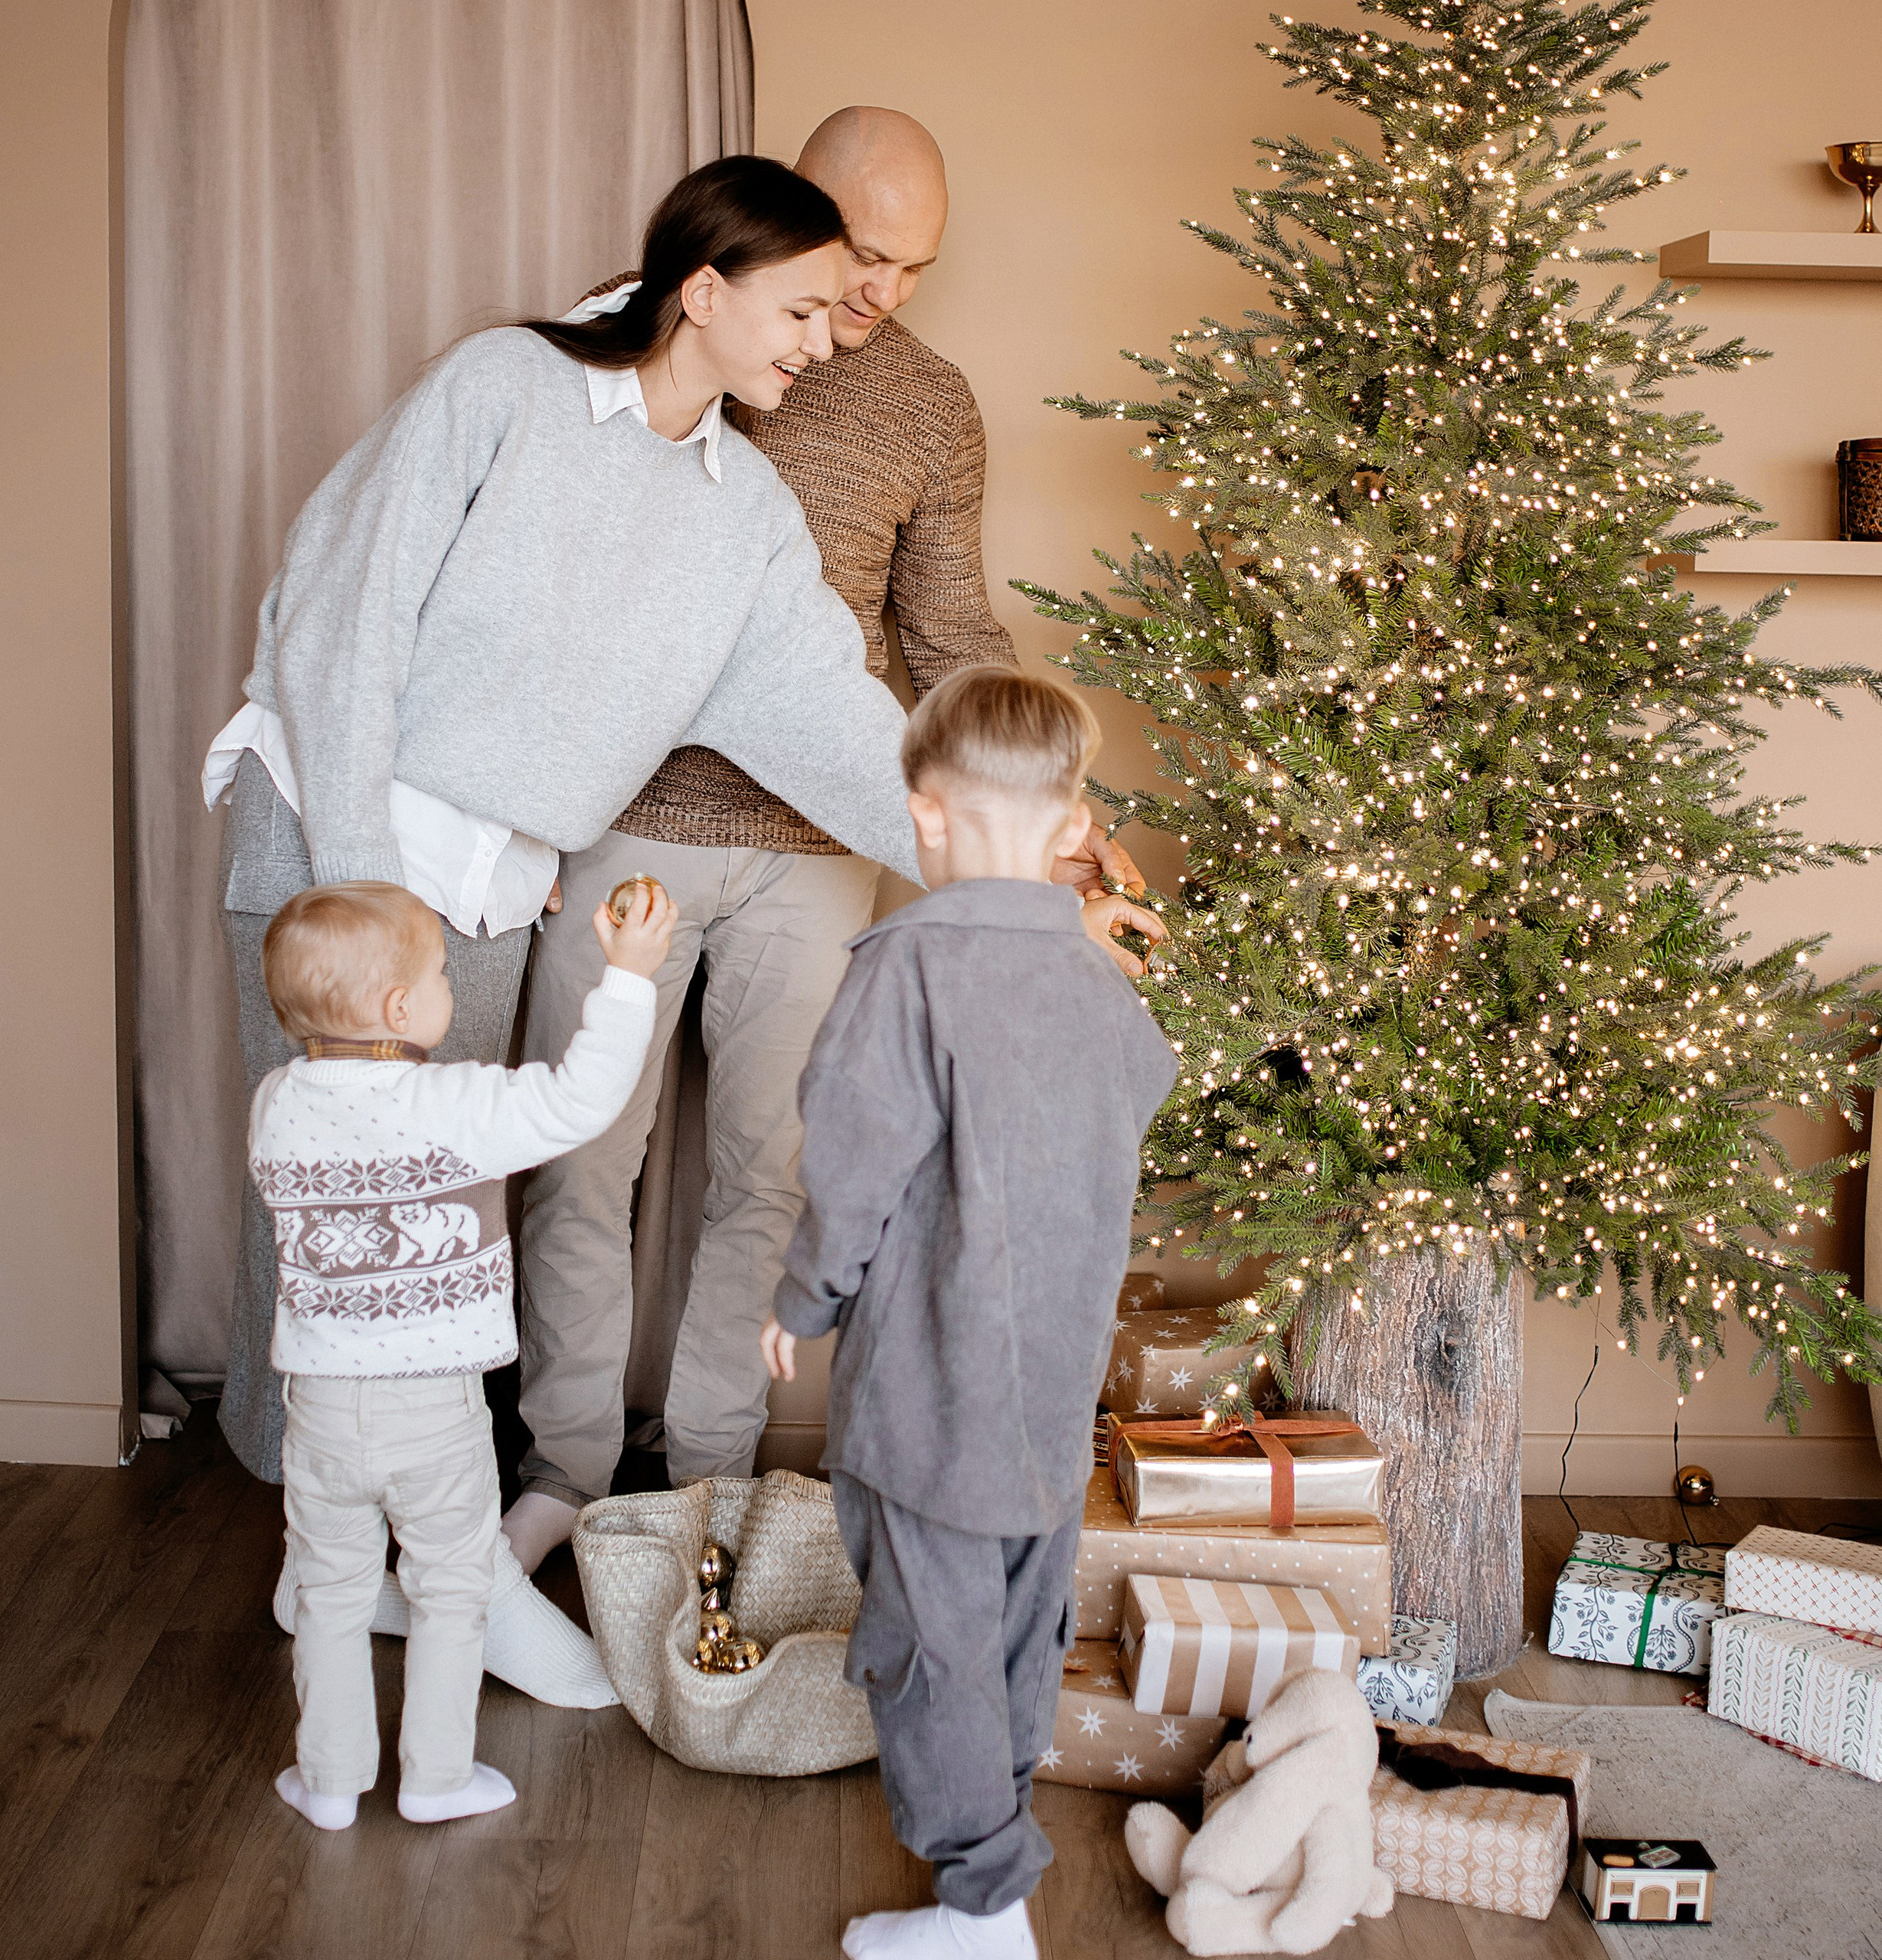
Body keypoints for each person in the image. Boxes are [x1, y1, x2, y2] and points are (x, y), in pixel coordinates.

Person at [205, 154, 924, 1703]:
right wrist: (360, 893)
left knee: (438, 1236)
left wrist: (1015, 855)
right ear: (704, 290)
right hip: (339, 846)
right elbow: (345, 614)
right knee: (338, 1226)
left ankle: (414, 1564)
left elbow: (838, 721)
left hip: (465, 884)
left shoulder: (739, 519)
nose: (826, 330)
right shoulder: (502, 387)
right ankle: (360, 1554)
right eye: (799, 304)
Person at [511, 108, 1165, 1579]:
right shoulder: (669, 344)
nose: (876, 297)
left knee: (770, 1173)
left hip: (821, 844)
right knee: (582, 1160)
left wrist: (1050, 801)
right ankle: (559, 1469)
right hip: (627, 829)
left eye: (914, 268)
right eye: (861, 255)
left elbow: (945, 633)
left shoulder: (932, 405)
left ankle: (711, 1491)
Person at [760, 667, 1178, 1960]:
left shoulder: (905, 968)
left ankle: (982, 1910)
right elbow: (1141, 1094)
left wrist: (803, 1299)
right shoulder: (1102, 982)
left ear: (924, 815)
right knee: (1013, 1628)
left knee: (927, 1645)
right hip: (1053, 1395)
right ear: (1072, 826)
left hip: (931, 1397)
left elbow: (852, 1165)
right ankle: (988, 1859)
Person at [250, 877, 675, 1831]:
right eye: (441, 973)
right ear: (402, 1010)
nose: (450, 987)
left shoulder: (276, 1103)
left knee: (332, 1588)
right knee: (451, 1588)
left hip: (318, 1405)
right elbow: (579, 1102)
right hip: (432, 1408)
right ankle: (437, 1777)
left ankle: (328, 1780)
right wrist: (629, 978)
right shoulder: (456, 1105)